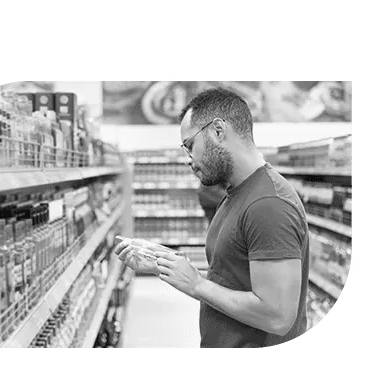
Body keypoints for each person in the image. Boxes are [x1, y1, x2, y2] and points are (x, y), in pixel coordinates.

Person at [116, 87, 309, 348]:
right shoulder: (237, 193)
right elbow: (232, 279)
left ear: (218, 131)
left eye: (190, 145)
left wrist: (196, 284)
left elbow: (278, 317)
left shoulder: (268, 204)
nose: (188, 159)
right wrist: (165, 262)